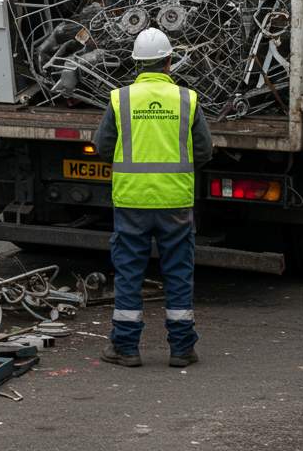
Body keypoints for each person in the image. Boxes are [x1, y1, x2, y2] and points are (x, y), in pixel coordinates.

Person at [92, 28, 212, 367]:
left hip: (132, 201)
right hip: (175, 201)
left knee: (129, 273)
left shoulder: (121, 99)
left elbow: (102, 146)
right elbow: (203, 150)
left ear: (136, 64)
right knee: (178, 272)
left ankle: (126, 348)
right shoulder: (187, 99)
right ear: (169, 62)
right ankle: (182, 349)